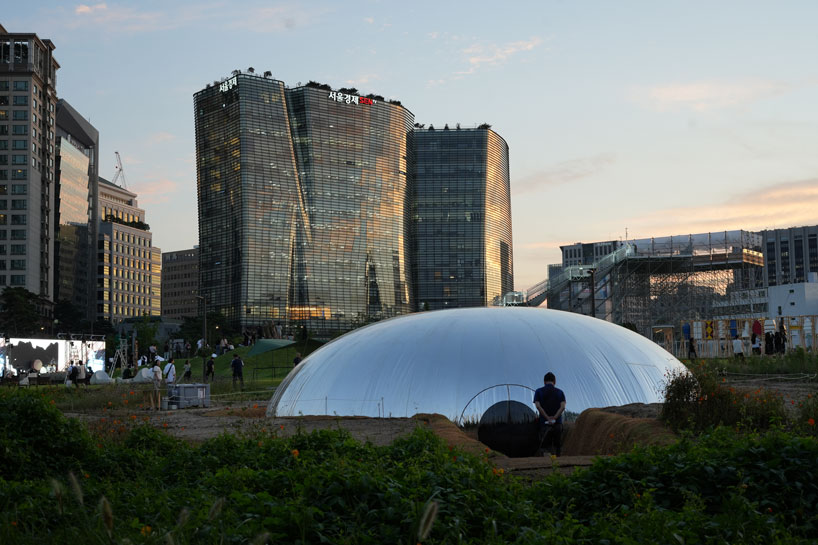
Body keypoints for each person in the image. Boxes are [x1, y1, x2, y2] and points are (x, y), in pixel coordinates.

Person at [533, 372, 566, 457]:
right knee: (557, 445)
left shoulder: (539, 391)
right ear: (554, 381)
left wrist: (547, 418)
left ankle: (546, 464)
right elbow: (562, 407)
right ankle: (558, 464)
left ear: (544, 381)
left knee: (545, 446)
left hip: (544, 423)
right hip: (557, 423)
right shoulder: (560, 392)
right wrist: (554, 417)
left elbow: (538, 406)